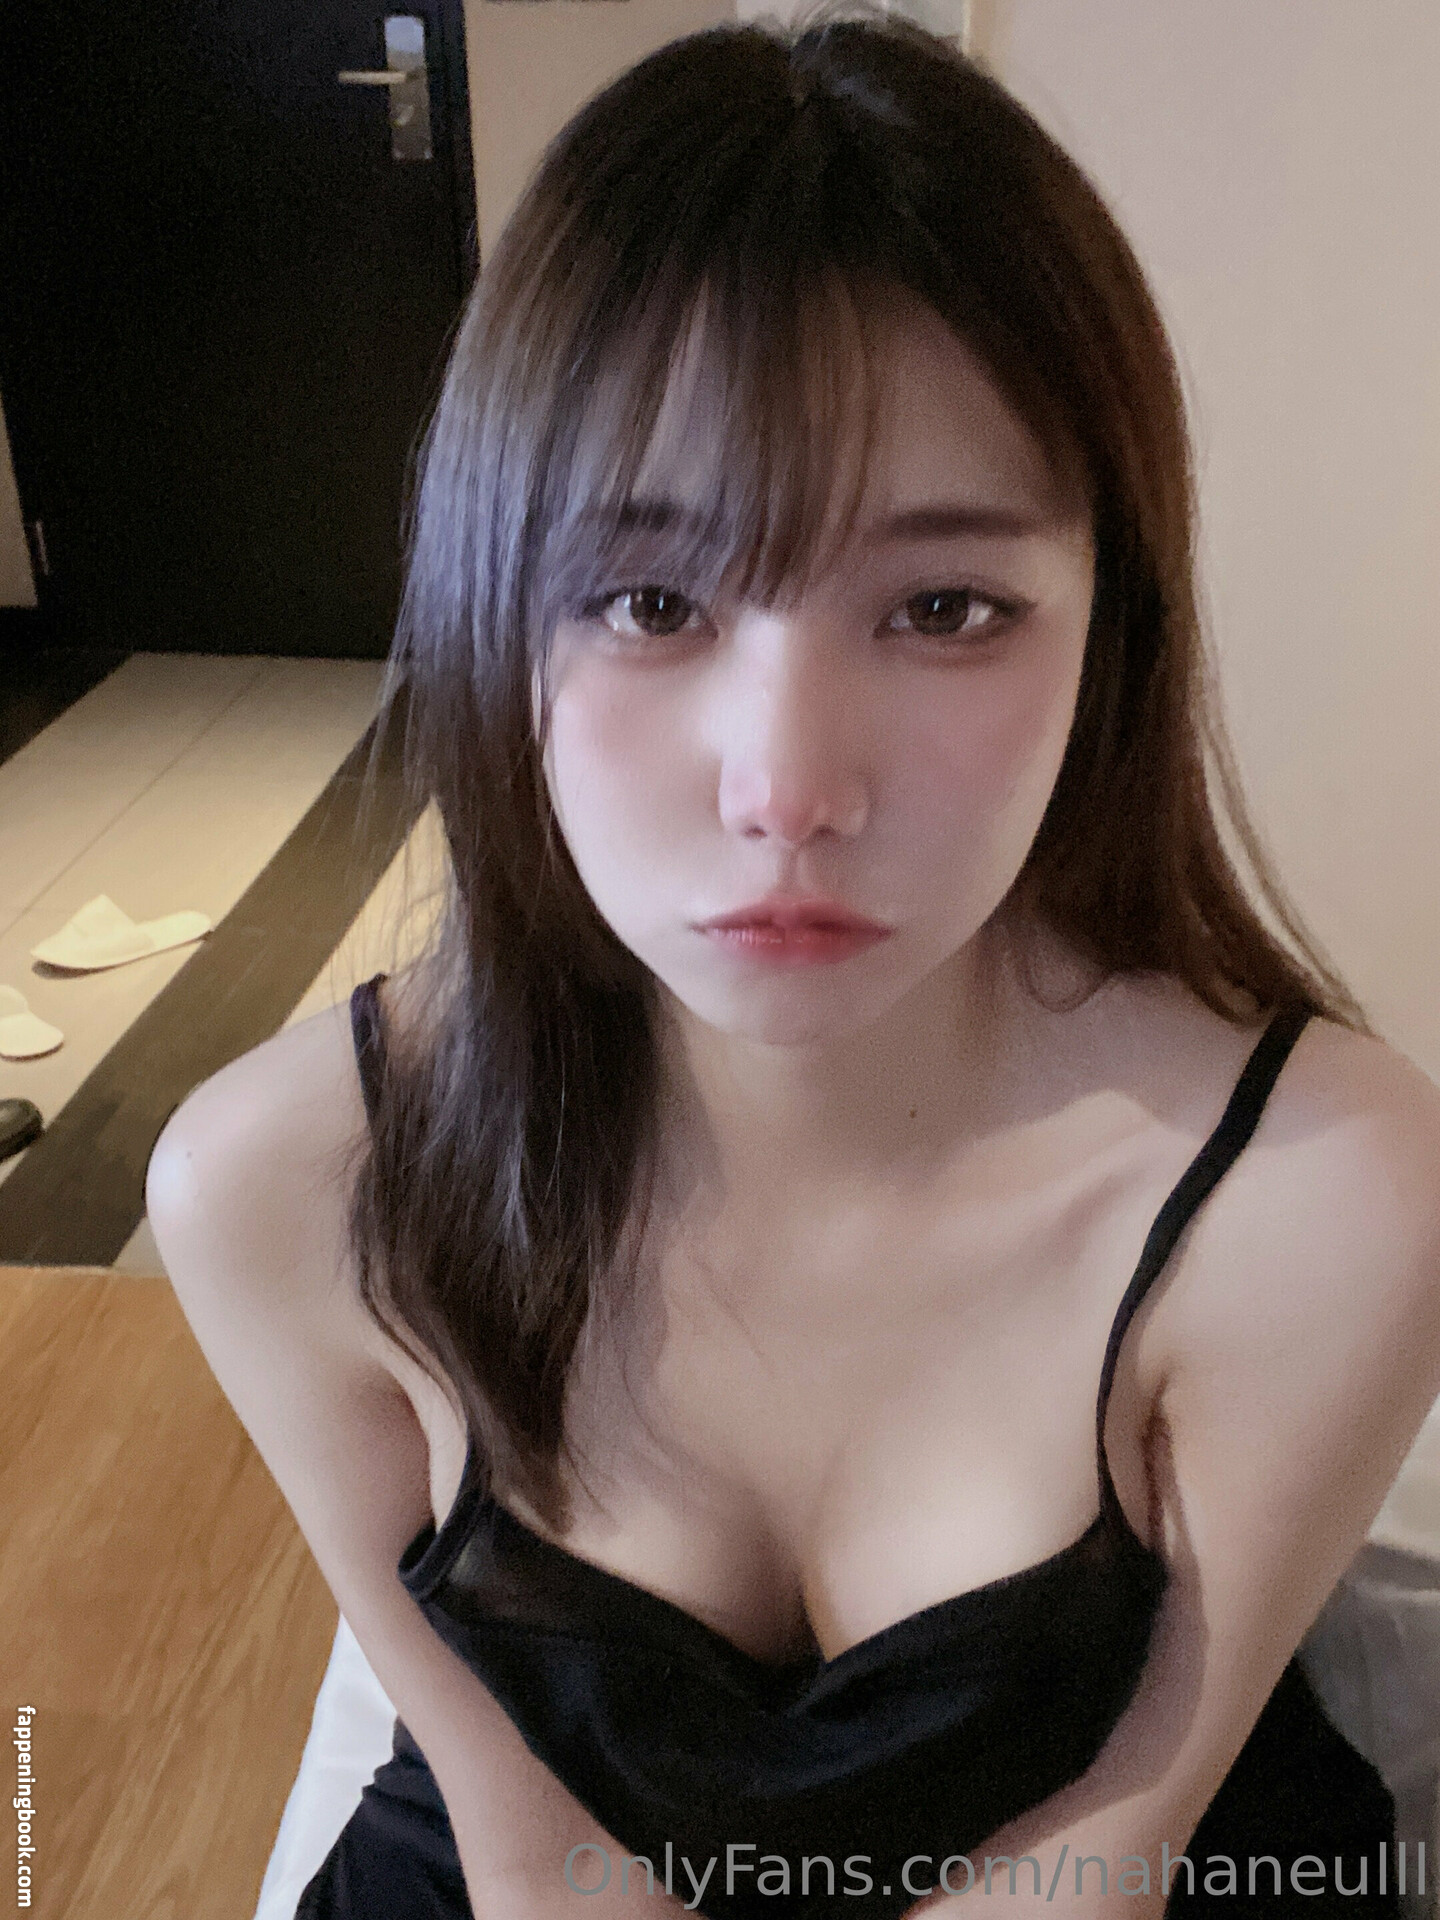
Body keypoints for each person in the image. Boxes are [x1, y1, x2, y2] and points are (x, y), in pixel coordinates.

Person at [147, 9, 1440, 1917]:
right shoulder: (281, 1189)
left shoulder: (1318, 1192)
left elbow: (1108, 1855)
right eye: (651, 598)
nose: (789, 790)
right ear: (502, 608)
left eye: (946, 606)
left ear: (1112, 636)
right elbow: (529, 1849)